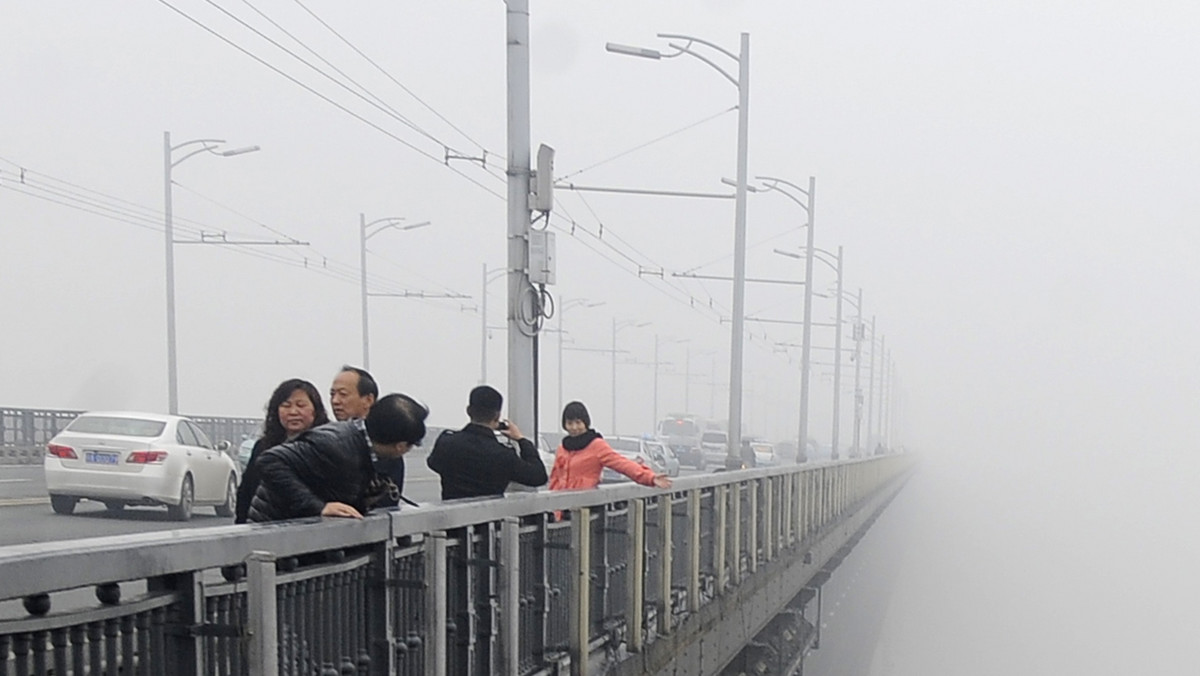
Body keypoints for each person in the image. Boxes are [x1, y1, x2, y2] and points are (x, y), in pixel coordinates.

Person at [248, 393, 428, 522]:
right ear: (401, 446)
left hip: (297, 532)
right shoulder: (335, 444)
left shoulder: (363, 448)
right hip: (276, 532)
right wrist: (319, 507)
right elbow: (269, 461)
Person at [426, 385, 548, 500]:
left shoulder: (446, 442)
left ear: (468, 411)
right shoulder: (503, 455)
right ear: (497, 416)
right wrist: (522, 440)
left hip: (453, 520)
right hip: (488, 520)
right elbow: (538, 477)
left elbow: (433, 463)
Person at [234, 379, 330, 524]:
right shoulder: (263, 447)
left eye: (301, 405)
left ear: (315, 410)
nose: (293, 412)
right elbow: (247, 492)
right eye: (286, 405)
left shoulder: (326, 446)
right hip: (263, 529)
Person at [549, 401, 672, 491]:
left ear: (586, 423)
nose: (574, 427)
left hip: (584, 509)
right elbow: (555, 478)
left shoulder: (596, 445)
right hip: (560, 510)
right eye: (569, 423)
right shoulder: (562, 448)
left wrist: (650, 478)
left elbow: (622, 464)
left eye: (578, 422)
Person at [330, 365, 407, 505]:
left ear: (368, 400)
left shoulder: (384, 445)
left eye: (343, 394)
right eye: (332, 394)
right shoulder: (328, 437)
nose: (335, 401)